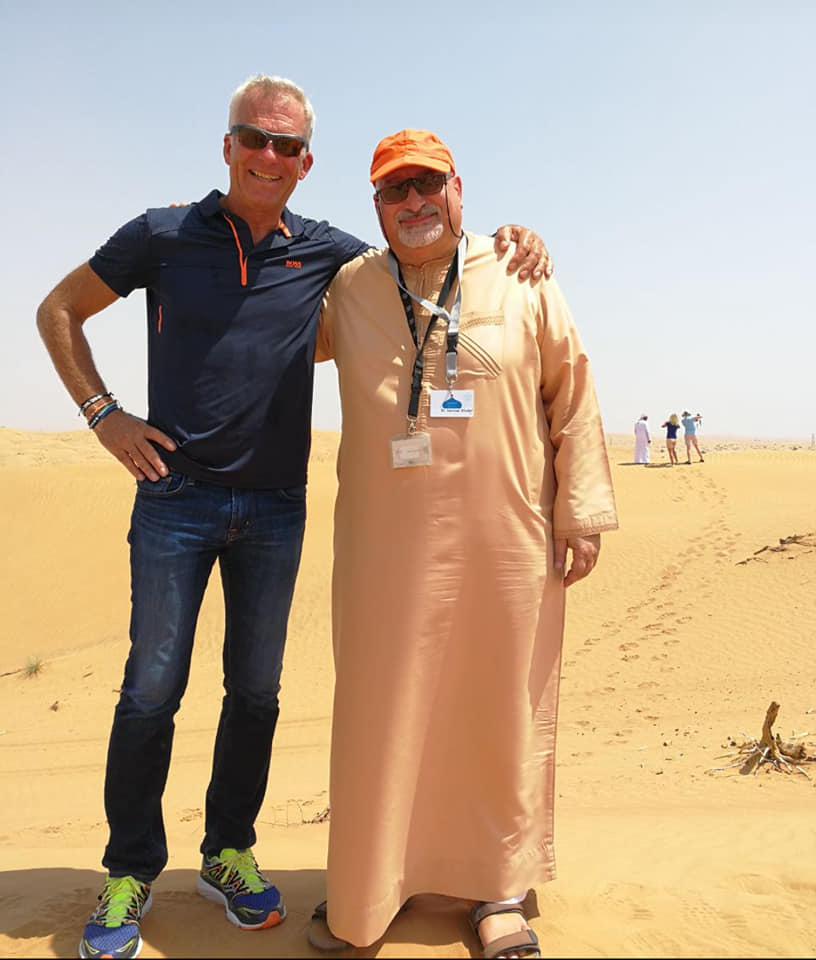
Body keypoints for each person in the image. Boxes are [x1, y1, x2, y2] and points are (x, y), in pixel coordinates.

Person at [35, 78, 552, 960]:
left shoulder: (331, 256)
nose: (268, 157)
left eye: (287, 147)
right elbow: (58, 311)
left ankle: (228, 853)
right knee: (151, 690)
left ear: (308, 162)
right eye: (254, 139)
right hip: (173, 500)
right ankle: (130, 867)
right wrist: (103, 415)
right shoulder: (159, 233)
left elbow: (423, 246)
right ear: (228, 145)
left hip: (275, 507)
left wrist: (516, 240)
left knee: (258, 692)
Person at [310, 129, 619, 956]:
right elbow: (259, 331)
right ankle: (375, 886)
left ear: (458, 190)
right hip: (385, 553)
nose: (413, 204)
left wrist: (581, 509)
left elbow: (573, 390)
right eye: (393, 192)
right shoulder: (346, 288)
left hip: (506, 545)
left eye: (427, 187)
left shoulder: (520, 274)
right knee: (382, 711)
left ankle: (497, 891)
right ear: (375, 207)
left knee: (499, 709)